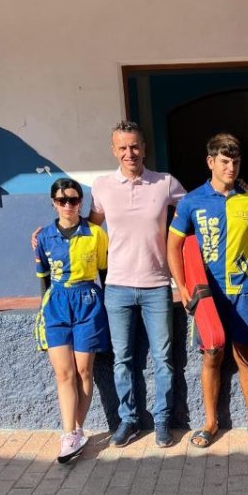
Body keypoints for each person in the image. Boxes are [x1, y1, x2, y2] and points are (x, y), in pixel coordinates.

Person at [167, 133, 248, 448]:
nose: (231, 167)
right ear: (211, 162)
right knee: (212, 357)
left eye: (236, 161)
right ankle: (210, 422)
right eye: (225, 161)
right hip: (207, 296)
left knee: (246, 358)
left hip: (243, 291)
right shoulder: (191, 201)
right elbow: (173, 245)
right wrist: (183, 287)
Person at [90, 121, 186, 448]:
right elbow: (86, 229)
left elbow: (192, 211)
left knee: (163, 357)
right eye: (123, 148)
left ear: (144, 148)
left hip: (157, 285)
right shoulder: (101, 187)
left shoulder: (165, 183)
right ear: (114, 150)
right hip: (116, 287)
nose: (130, 153)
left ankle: (161, 421)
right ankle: (129, 420)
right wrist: (47, 236)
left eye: (135, 146)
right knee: (123, 359)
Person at [34, 178, 109, 463]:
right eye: (62, 200)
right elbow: (42, 278)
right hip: (56, 305)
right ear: (53, 202)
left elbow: (105, 272)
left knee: (83, 372)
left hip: (87, 301)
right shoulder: (43, 237)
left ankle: (78, 429)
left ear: (81, 202)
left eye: (74, 200)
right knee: (63, 373)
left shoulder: (95, 233)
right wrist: (44, 310)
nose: (68, 205)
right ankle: (68, 434)